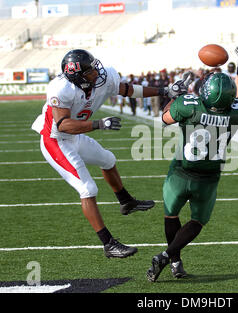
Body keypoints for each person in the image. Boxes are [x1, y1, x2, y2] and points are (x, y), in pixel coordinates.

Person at [31, 49, 186, 259]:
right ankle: (108, 244)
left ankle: (126, 201)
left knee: (108, 159)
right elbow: (63, 125)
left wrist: (165, 91)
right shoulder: (61, 89)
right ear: (78, 76)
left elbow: (128, 89)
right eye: (90, 70)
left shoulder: (100, 79)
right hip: (55, 140)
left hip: (75, 137)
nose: (97, 72)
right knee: (87, 188)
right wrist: (98, 124)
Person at [146, 47, 238, 282]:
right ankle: (167, 256)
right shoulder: (237, 112)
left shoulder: (189, 104)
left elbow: (164, 118)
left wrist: (176, 95)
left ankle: (174, 260)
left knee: (171, 215)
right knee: (197, 222)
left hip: (181, 172)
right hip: (209, 176)